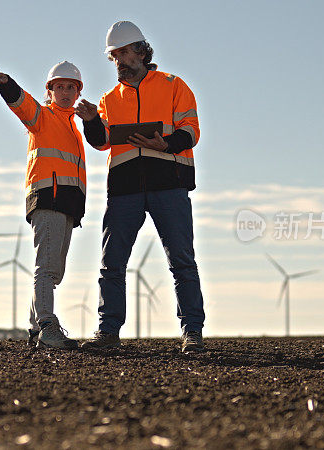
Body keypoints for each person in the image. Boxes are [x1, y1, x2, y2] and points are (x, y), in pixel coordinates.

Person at [75, 21, 205, 352]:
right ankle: (108, 333)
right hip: (124, 191)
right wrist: (91, 118)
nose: (119, 59)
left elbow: (191, 130)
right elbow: (101, 142)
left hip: (169, 185)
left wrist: (166, 144)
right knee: (112, 263)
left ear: (142, 52)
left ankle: (192, 332)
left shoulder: (174, 85)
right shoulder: (108, 99)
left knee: (182, 261)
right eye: (114, 55)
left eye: (124, 52)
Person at [0, 62, 87, 349]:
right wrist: (7, 84)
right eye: (60, 86)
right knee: (46, 266)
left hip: (67, 203)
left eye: (71, 87)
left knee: (54, 270)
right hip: (48, 198)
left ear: (78, 92)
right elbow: (22, 104)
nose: (66, 92)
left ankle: (36, 329)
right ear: (50, 90)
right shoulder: (42, 117)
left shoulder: (74, 127)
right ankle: (47, 324)